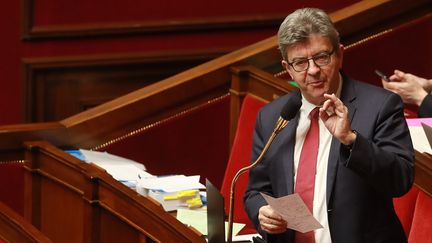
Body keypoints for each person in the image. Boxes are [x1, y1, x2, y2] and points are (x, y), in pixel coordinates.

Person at [243, 7, 414, 243]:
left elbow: (400, 180)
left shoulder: (380, 106)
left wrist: (351, 140)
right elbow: (256, 191)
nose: (313, 70)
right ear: (287, 68)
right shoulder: (272, 116)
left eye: (322, 57)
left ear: (340, 54)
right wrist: (263, 212)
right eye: (300, 62)